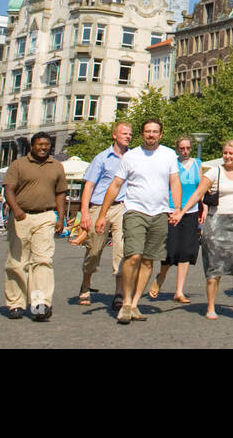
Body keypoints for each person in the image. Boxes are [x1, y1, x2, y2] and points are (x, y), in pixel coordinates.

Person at [96, 118, 181, 325]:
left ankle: (135, 303)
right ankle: (125, 302)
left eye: (155, 132)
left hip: (160, 212)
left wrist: (177, 208)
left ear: (161, 134)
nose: (151, 135)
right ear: (142, 134)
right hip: (135, 210)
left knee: (148, 260)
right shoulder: (131, 156)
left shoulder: (169, 154)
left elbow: (174, 181)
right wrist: (102, 214)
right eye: (147, 131)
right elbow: (116, 185)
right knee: (133, 256)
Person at [174, 140, 233, 319]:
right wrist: (182, 212)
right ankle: (210, 307)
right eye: (225, 153)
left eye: (231, 153)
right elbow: (198, 194)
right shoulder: (214, 172)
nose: (228, 156)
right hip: (216, 224)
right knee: (215, 268)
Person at [2, 132, 67, 321]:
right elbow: (8, 189)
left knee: (43, 260)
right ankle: (16, 303)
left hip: (46, 216)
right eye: (39, 144)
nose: (43, 148)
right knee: (17, 261)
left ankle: (41, 303)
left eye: (46, 144)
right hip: (21, 216)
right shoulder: (19, 165)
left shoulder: (56, 166)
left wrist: (60, 218)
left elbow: (61, 193)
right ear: (32, 146)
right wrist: (16, 209)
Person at [77, 120, 130, 310]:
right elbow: (89, 185)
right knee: (94, 249)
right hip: (99, 207)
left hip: (122, 207)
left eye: (130, 134)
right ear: (115, 135)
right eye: (124, 133)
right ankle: (86, 283)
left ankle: (119, 293)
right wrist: (84, 212)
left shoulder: (132, 157)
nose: (128, 136)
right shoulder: (102, 158)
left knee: (121, 250)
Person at [150, 136, 204, 304]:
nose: (185, 151)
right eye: (182, 148)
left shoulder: (197, 164)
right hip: (173, 209)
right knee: (170, 250)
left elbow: (200, 189)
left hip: (191, 211)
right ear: (177, 149)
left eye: (188, 148)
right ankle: (162, 276)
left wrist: (203, 208)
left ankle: (179, 291)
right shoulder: (172, 163)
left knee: (186, 251)